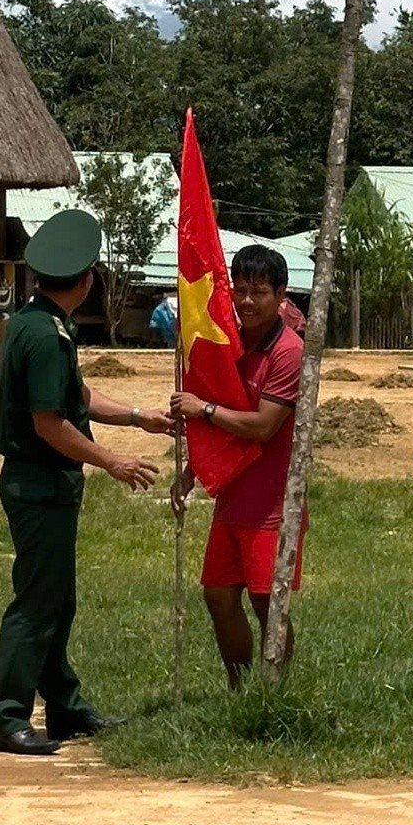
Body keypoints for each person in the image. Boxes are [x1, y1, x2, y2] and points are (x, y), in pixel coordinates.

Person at [0, 209, 172, 756]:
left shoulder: (37, 322)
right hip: (39, 484)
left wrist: (138, 416)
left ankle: (63, 707)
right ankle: (8, 716)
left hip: (45, 485)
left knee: (57, 601)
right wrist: (111, 460)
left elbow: (79, 398)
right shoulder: (46, 337)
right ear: (88, 280)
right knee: (37, 603)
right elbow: (50, 424)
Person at [168, 244, 306, 689]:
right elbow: (227, 415)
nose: (247, 301)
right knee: (218, 597)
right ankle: (239, 688)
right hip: (231, 496)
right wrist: (193, 469)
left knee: (270, 604)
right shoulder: (227, 340)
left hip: (272, 505)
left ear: (281, 294)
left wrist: (201, 408)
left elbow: (263, 426)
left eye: (259, 292)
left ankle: (276, 694)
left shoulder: (289, 352)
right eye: (240, 291)